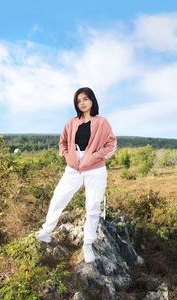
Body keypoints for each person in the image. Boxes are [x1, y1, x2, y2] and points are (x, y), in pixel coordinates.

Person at [36, 87, 117, 263]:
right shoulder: (72, 122)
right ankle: (46, 231)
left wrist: (96, 156)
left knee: (93, 207)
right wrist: (67, 156)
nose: (82, 103)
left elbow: (112, 144)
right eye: (78, 101)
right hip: (73, 168)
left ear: (92, 101)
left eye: (85, 99)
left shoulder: (102, 122)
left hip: (95, 169)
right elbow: (62, 141)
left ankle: (88, 245)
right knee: (58, 197)